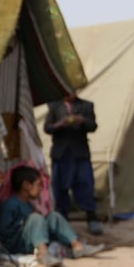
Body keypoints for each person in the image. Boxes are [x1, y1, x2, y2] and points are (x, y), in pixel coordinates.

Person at [0, 164, 104, 267]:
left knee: (53, 216)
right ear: (26, 185)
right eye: (38, 185)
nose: (40, 189)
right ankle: (43, 253)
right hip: (16, 245)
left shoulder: (28, 205)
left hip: (29, 239)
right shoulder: (10, 205)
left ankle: (76, 246)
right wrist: (29, 223)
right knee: (36, 218)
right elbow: (5, 232)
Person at [43, 94, 103, 235]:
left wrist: (82, 120)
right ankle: (62, 220)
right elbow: (47, 128)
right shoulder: (54, 106)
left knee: (85, 183)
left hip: (79, 151)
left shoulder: (86, 105)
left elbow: (93, 126)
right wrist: (60, 124)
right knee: (60, 186)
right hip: (61, 152)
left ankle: (91, 216)